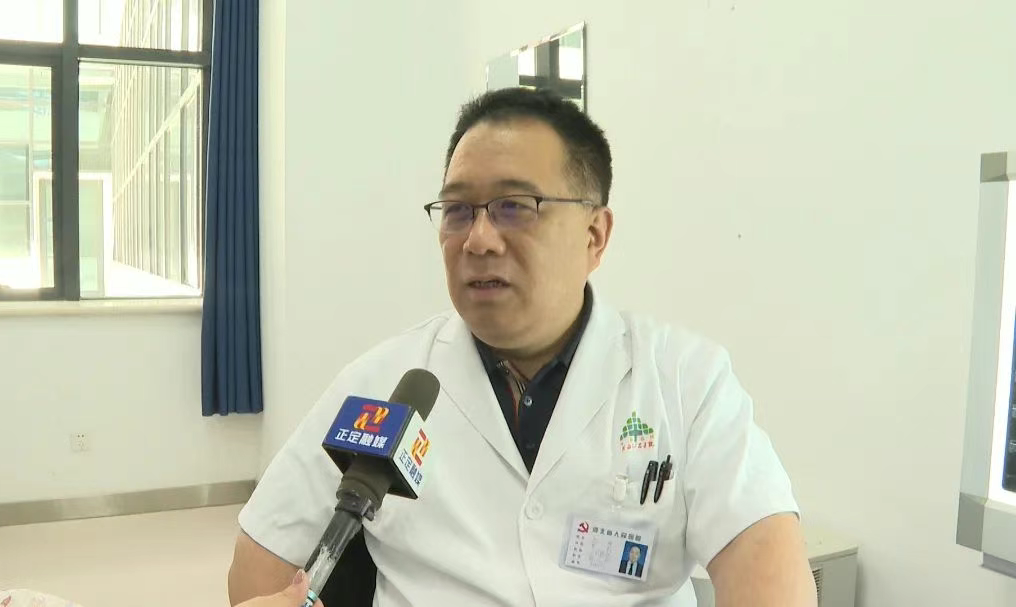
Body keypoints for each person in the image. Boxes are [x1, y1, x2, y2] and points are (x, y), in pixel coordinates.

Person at [228, 87, 817, 606]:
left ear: (595, 234)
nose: (478, 239)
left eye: (515, 207)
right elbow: (263, 556)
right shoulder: (380, 382)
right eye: (458, 211)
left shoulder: (685, 379)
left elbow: (766, 563)